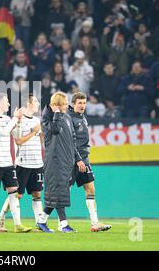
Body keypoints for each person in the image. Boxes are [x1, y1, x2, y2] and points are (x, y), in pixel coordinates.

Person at [0, 93, 32, 233]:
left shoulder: (7, 118)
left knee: (14, 193)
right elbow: (3, 132)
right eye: (7, 102)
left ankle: (18, 225)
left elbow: (16, 135)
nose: (9, 104)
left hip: (8, 163)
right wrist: (15, 118)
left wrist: (19, 122)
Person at [37, 92, 85, 233]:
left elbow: (72, 141)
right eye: (63, 104)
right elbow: (55, 131)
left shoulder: (67, 117)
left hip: (66, 162)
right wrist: (57, 114)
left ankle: (41, 221)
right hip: (54, 162)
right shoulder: (46, 120)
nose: (66, 106)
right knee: (58, 193)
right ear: (55, 106)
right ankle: (64, 224)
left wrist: (77, 159)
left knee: (58, 193)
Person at [0, 94, 44, 229]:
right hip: (23, 163)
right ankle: (1, 216)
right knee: (18, 194)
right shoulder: (19, 120)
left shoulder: (37, 119)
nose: (38, 103)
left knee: (37, 193)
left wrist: (42, 132)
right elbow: (18, 141)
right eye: (35, 101)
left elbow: (41, 140)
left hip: (37, 163)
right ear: (28, 103)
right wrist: (34, 132)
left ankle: (40, 223)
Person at [68, 92, 112, 232]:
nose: (82, 105)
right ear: (73, 104)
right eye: (79, 103)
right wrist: (77, 159)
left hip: (84, 159)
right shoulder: (69, 119)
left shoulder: (82, 118)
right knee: (64, 192)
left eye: (84, 103)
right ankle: (59, 223)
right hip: (72, 160)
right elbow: (69, 142)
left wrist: (83, 159)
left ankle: (94, 223)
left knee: (90, 189)